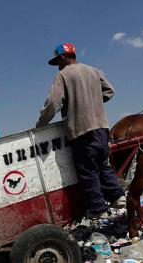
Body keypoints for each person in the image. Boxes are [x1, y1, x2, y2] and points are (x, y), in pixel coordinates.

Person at [36, 43, 125, 219]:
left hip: (81, 129)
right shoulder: (93, 70)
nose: (58, 66)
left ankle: (99, 209)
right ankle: (118, 196)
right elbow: (110, 91)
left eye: (57, 62)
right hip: (101, 127)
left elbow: (53, 103)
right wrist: (94, 103)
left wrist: (41, 125)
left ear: (62, 57)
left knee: (87, 169)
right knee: (102, 162)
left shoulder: (63, 75)